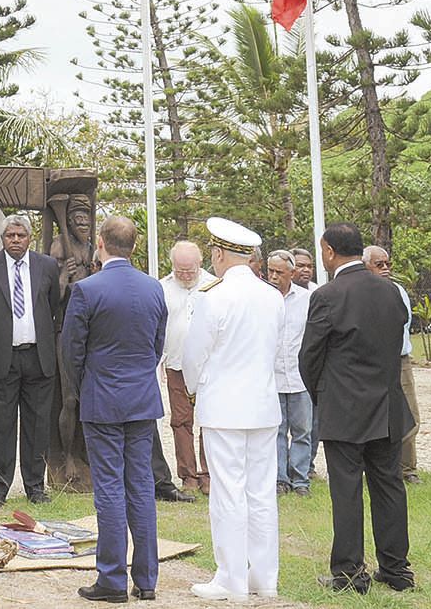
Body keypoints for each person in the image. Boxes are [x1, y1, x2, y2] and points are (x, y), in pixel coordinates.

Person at [299, 222, 414, 594]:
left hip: (345, 408)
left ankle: (349, 573)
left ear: (329, 251)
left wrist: (323, 396)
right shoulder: (392, 292)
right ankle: (396, 570)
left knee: (346, 491)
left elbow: (309, 357)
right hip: (387, 404)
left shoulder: (328, 296)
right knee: (389, 487)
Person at [61, 215, 167, 604]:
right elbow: (157, 345)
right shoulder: (154, 288)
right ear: (134, 247)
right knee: (140, 485)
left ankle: (111, 579)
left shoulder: (86, 289)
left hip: (102, 398)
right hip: (141, 398)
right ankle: (147, 579)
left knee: (108, 487)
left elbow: (71, 351)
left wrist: (81, 389)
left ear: (101, 244)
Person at [183, 218, 285, 602]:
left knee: (228, 493)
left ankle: (231, 580)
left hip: (224, 407)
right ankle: (263, 579)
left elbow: (193, 356)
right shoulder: (272, 296)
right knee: (260, 494)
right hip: (262, 406)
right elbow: (274, 351)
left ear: (220, 253)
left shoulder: (214, 296)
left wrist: (197, 390)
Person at [0, 213, 62, 508]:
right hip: (2, 359)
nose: (16, 241)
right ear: (2, 238)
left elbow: (53, 307)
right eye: (10, 236)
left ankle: (35, 486)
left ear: (29, 238)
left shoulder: (46, 266)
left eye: (20, 236)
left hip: (38, 357)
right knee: (1, 425)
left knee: (37, 425)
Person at [160, 239, 217, 496]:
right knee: (181, 421)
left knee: (209, 419)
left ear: (199, 264)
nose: (184, 274)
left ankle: (208, 474)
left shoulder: (214, 285)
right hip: (176, 365)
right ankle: (188, 475)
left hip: (209, 366)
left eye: (189, 270)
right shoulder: (162, 287)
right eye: (179, 270)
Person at [363, 246, 421, 485]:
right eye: (379, 264)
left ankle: (408, 469)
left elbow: (404, 325)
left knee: (409, 414)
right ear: (365, 265)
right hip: (371, 363)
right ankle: (375, 470)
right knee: (372, 417)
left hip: (399, 361)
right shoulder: (360, 293)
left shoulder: (398, 291)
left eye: (388, 264)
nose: (385, 269)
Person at [264, 249, 312, 496]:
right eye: (270, 270)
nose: (273, 276)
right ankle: (280, 479)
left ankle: (301, 479)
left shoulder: (307, 299)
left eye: (279, 272)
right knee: (277, 431)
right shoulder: (261, 299)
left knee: (303, 430)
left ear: (291, 273)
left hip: (299, 377)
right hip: (271, 378)